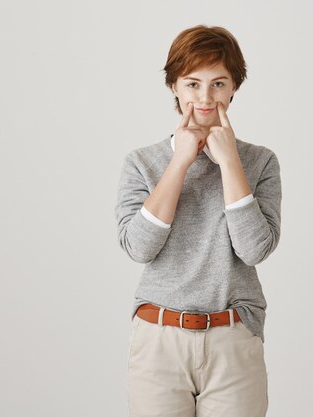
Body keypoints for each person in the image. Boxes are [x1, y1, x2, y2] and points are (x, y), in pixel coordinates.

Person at [114, 24, 282, 417]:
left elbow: (255, 247)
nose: (205, 98)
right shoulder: (141, 163)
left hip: (233, 337)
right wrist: (180, 162)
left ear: (234, 88)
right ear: (174, 86)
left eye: (218, 84)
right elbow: (139, 247)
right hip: (158, 340)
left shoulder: (260, 162)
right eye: (193, 84)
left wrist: (229, 162)